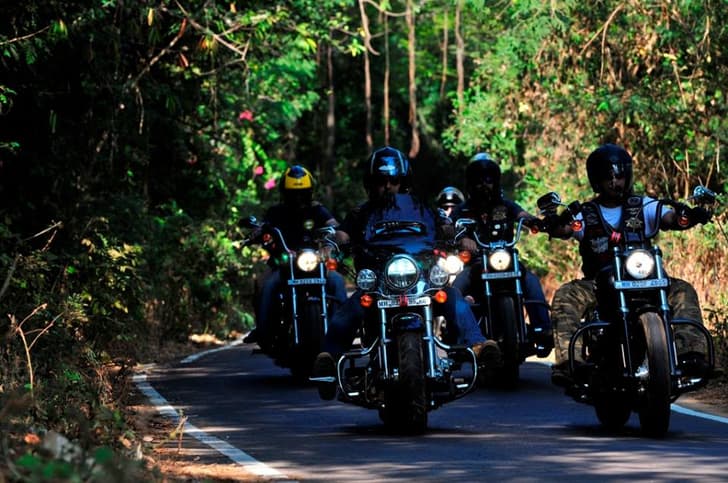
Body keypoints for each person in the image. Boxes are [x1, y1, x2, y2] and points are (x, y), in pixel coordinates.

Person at [312, 146, 501, 400]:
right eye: (381, 181)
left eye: (394, 180)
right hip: (379, 284)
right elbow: (343, 233)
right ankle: (328, 361)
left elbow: (445, 226)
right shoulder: (361, 213)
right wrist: (331, 244)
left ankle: (478, 345)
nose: (388, 186)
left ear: (404, 182)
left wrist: (461, 236)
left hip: (420, 280)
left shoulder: (423, 209)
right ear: (371, 183)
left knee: (452, 297)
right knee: (352, 308)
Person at [547, 143, 712, 380]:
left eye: (620, 176)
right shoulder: (584, 213)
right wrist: (553, 221)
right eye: (608, 178)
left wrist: (688, 217)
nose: (616, 182)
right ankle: (569, 363)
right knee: (565, 295)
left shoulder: (643, 205)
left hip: (646, 280)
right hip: (599, 284)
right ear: (597, 181)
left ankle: (692, 355)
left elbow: (669, 218)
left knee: (683, 290)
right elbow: (564, 229)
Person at [450, 153, 553, 357]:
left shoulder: (505, 206)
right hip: (477, 264)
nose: (484, 185)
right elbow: (449, 229)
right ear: (471, 184)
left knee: (531, 281)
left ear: (495, 182)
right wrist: (462, 240)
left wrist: (534, 221)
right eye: (479, 181)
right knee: (454, 292)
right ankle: (457, 337)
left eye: (488, 180)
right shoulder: (462, 210)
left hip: (506, 260)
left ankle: (543, 329)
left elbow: (521, 215)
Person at [244, 165, 347, 348]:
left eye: (302, 193)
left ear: (310, 192)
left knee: (337, 282)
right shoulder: (276, 212)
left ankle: (341, 328)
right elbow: (263, 227)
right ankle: (264, 330)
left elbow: (333, 225)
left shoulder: (317, 210)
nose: (298, 198)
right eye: (293, 194)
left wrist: (336, 235)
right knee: (264, 284)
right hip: (283, 263)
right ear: (285, 193)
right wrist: (256, 232)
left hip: (314, 262)